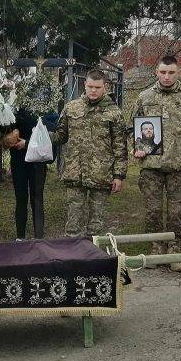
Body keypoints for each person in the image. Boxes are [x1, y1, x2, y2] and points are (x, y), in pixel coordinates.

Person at [131, 56, 181, 269]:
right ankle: (155, 247)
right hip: (151, 165)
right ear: (156, 71)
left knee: (175, 211)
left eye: (171, 72)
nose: (166, 76)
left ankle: (173, 249)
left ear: (178, 72)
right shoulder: (144, 97)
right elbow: (132, 129)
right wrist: (136, 148)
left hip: (178, 164)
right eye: (163, 72)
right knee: (153, 210)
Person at [55, 69, 126, 238]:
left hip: (101, 174)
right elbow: (60, 135)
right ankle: (73, 259)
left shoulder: (114, 113)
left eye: (98, 87)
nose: (93, 90)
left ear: (105, 87)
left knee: (96, 225)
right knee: (73, 223)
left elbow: (120, 146)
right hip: (75, 173)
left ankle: (93, 259)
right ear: (84, 85)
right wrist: (38, 137)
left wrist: (119, 175)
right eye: (90, 86)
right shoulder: (71, 108)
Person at [3, 104, 50, 240]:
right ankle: (20, 237)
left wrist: (27, 143)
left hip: (37, 161)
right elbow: (3, 132)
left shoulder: (42, 107)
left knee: (37, 198)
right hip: (18, 160)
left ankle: (39, 237)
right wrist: (4, 138)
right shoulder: (9, 106)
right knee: (21, 198)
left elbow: (49, 134)